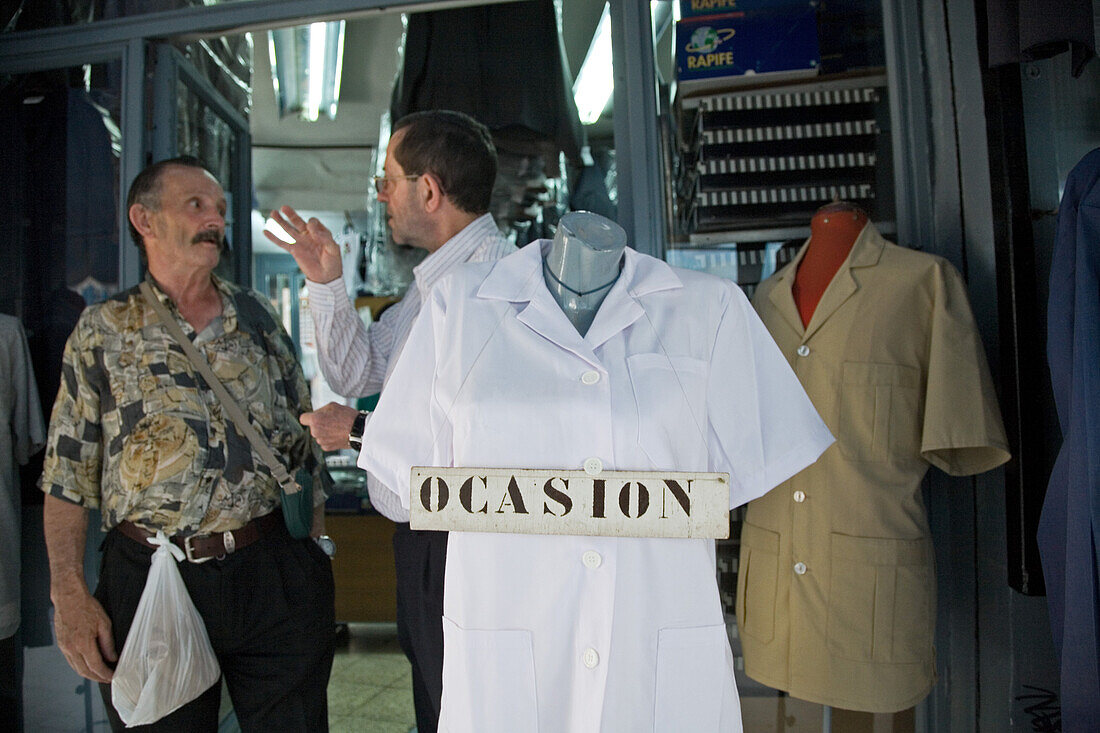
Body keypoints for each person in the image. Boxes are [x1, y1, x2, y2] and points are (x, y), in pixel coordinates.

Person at [40, 156, 335, 732]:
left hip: (271, 570)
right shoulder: (103, 329)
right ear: (143, 220)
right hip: (152, 572)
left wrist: (314, 555)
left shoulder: (257, 318)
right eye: (195, 205)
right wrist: (69, 596)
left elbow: (305, 450)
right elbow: (66, 475)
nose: (215, 220)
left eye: (220, 210)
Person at [266, 109, 512, 733]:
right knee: (439, 701)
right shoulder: (434, 285)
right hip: (428, 543)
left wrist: (353, 433)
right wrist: (326, 281)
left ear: (428, 190)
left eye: (388, 179)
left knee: (463, 708)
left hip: (463, 544)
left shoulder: (488, 287)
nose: (381, 195)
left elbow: (474, 448)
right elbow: (359, 371)